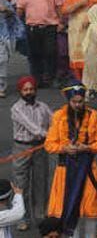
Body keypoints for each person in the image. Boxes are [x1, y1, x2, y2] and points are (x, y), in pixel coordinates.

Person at [44, 81, 97, 237]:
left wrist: (87, 148)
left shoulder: (95, 116)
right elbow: (49, 144)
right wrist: (64, 148)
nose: (78, 105)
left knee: (89, 211)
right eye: (74, 102)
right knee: (70, 208)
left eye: (81, 102)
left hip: (88, 171)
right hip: (65, 169)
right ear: (68, 101)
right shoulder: (59, 116)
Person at [10, 76, 51, 232]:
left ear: (35, 90)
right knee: (21, 185)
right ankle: (22, 217)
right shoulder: (16, 108)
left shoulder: (43, 107)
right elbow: (32, 127)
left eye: (31, 89)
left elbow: (55, 120)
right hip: (22, 148)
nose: (29, 92)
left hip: (40, 148)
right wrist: (50, 136)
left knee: (41, 182)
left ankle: (41, 216)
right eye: (25, 90)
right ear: (20, 91)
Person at [16, 0, 62, 88]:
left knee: (50, 53)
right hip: (32, 27)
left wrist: (61, 22)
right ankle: (37, 80)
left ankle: (51, 77)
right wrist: (16, 25)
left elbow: (58, 6)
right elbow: (20, 9)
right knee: (34, 55)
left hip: (49, 27)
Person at [62, 0, 97, 76]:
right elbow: (65, 10)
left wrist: (89, 16)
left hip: (91, 28)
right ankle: (78, 82)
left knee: (90, 53)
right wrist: (80, 3)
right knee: (76, 55)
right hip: (76, 30)